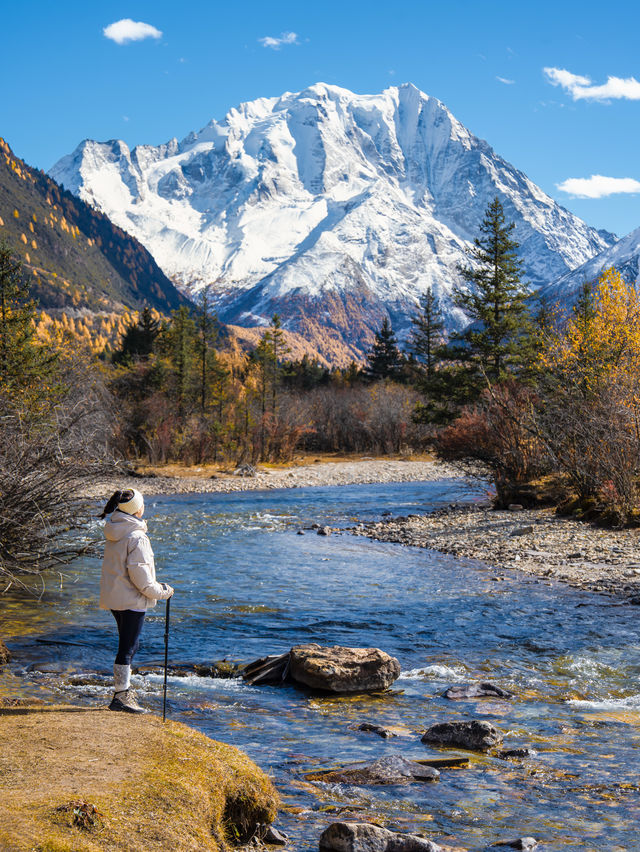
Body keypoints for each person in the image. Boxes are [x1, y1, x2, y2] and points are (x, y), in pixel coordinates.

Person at [99, 488, 173, 714]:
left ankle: (123, 692)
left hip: (115, 597)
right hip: (131, 599)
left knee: (128, 645)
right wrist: (163, 592)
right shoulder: (137, 536)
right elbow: (141, 578)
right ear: (137, 510)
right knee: (128, 647)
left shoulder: (116, 531)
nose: (144, 507)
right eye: (143, 504)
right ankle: (121, 697)